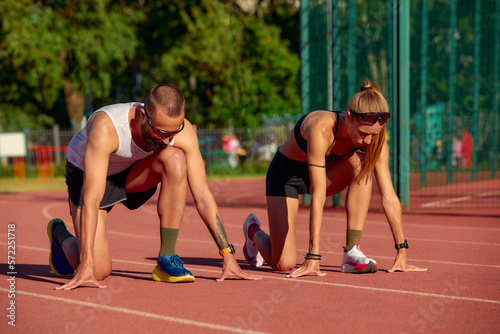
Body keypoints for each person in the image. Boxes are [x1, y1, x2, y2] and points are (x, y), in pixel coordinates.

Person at [48, 84, 259, 290]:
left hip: (131, 173)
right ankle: (60, 234)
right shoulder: (107, 127)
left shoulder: (180, 132)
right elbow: (92, 198)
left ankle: (166, 258)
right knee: (98, 269)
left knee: (175, 159)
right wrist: (86, 264)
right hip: (87, 176)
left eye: (173, 133)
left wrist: (227, 254)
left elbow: (203, 195)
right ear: (142, 116)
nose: (167, 141)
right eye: (159, 133)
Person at [242, 81, 427, 277]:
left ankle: (351, 251)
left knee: (362, 163)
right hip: (286, 175)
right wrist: (313, 256)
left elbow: (389, 196)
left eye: (374, 135)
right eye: (364, 133)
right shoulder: (322, 128)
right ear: (349, 118)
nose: (368, 141)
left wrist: (402, 251)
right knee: (283, 263)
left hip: (326, 172)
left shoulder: (374, 139)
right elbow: (319, 192)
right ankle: (253, 231)